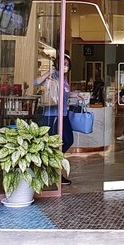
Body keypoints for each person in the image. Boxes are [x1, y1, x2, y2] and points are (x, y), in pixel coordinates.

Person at [34, 53, 74, 185]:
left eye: (67, 64)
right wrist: (48, 73)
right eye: (63, 63)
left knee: (68, 140)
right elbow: (35, 82)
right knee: (54, 143)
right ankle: (53, 171)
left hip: (63, 115)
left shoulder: (65, 78)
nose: (65, 66)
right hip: (52, 116)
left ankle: (52, 166)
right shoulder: (54, 75)